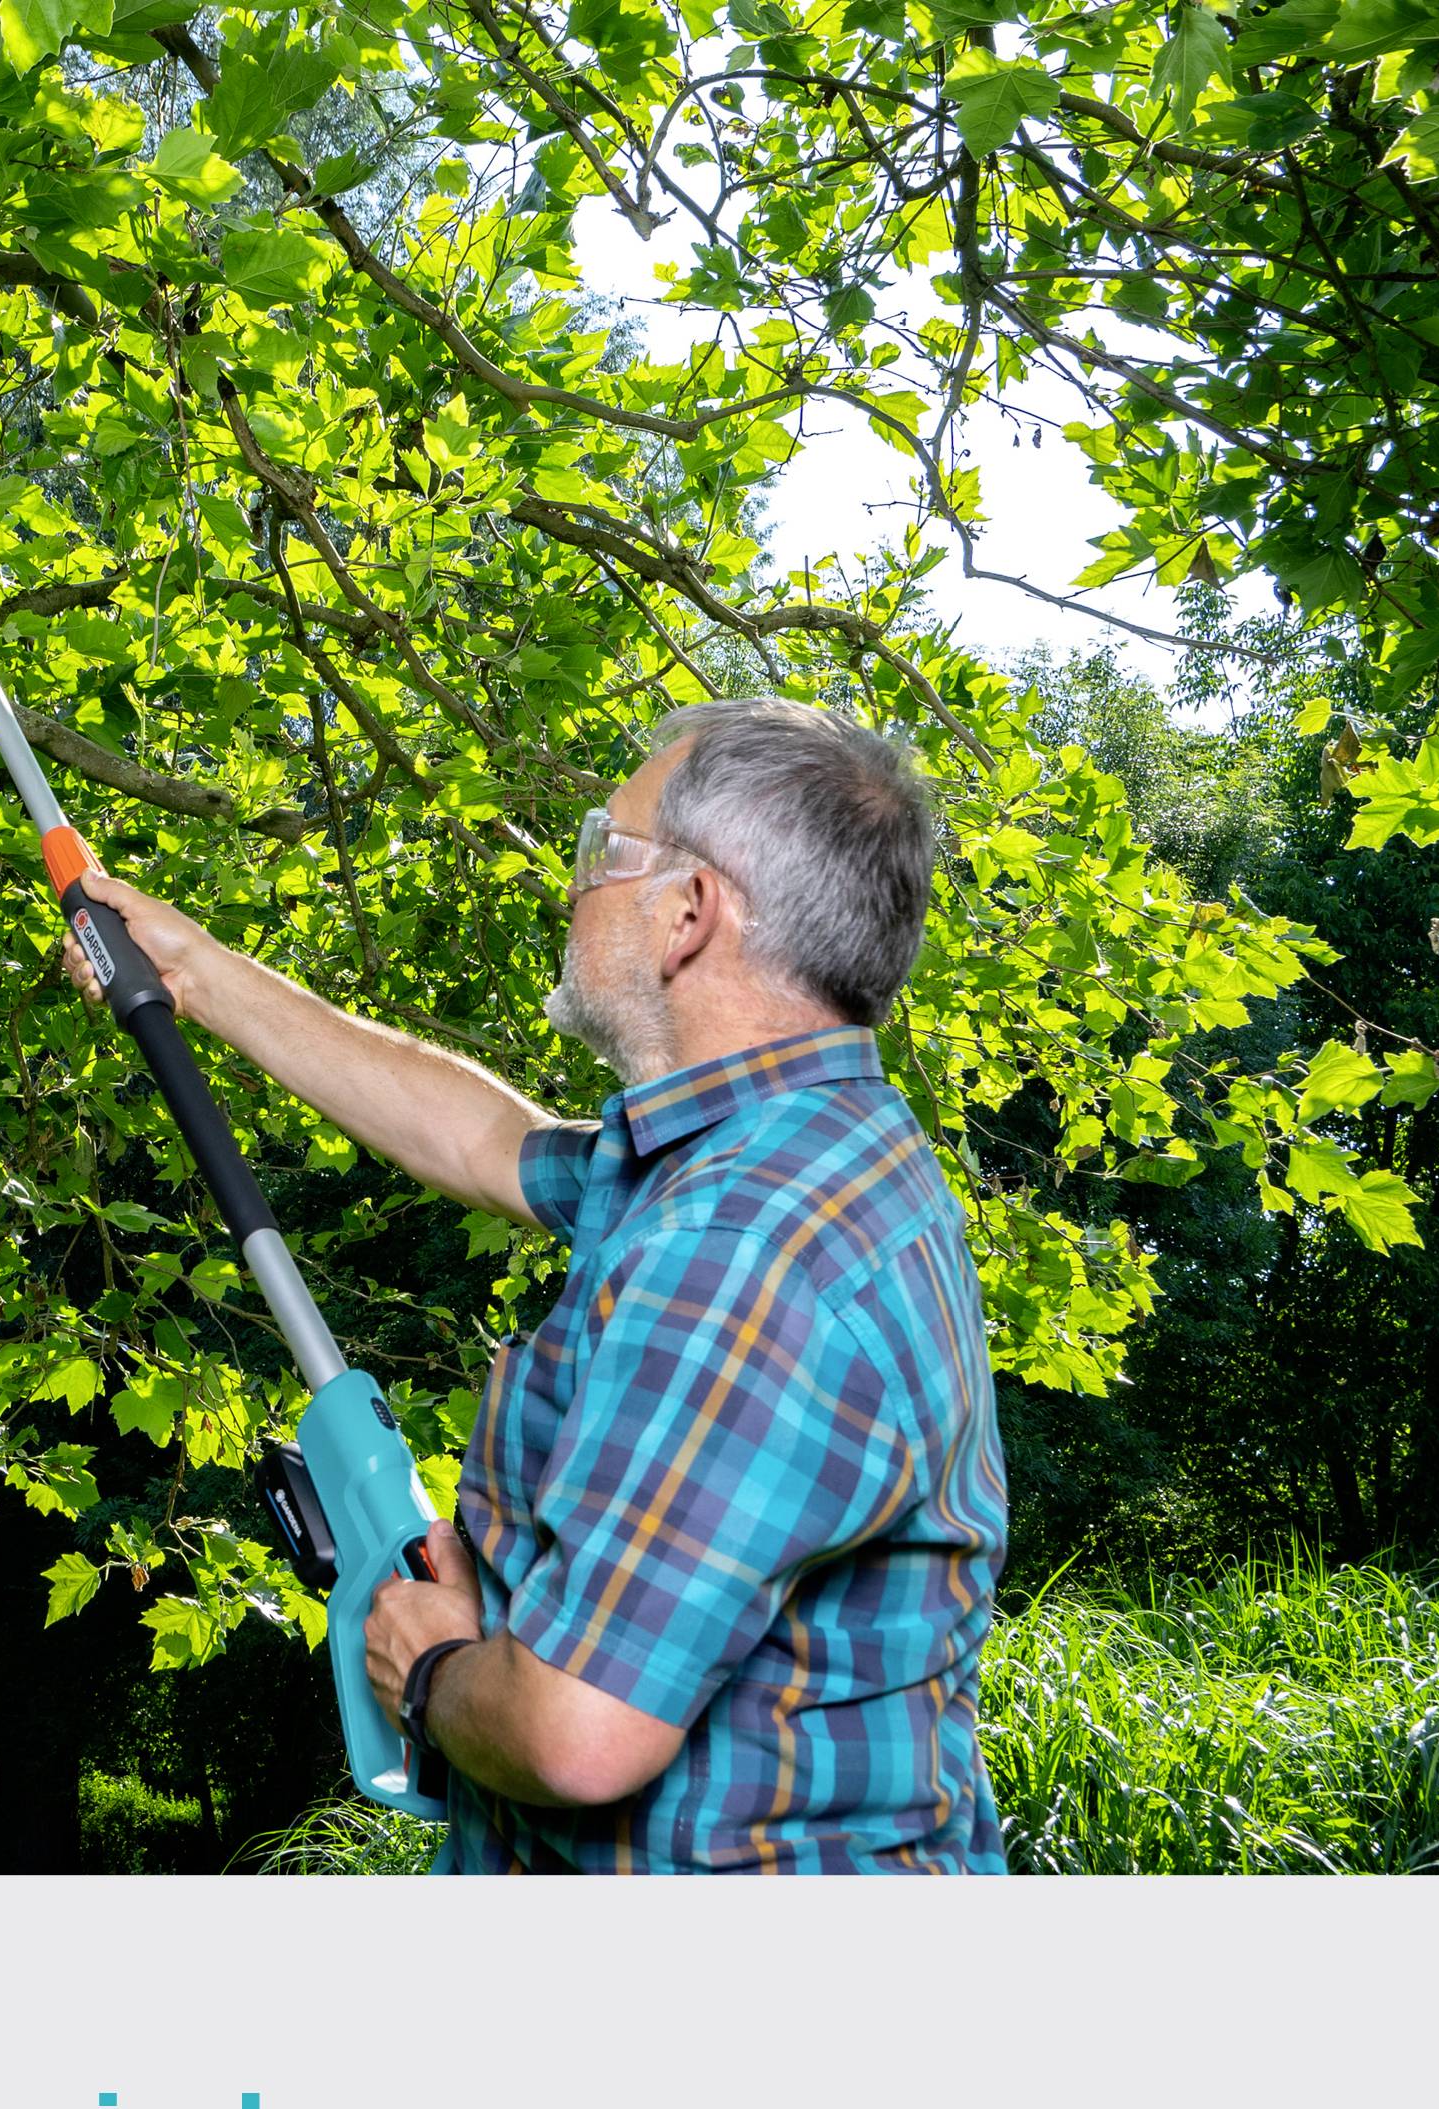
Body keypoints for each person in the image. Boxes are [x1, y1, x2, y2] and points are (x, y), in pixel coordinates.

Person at [61, 697, 1008, 1872]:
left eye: (604, 849)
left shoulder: (737, 1248)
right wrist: (194, 970)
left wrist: (433, 1663)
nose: (573, 885)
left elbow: (576, 1735)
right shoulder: (790, 1146)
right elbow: (480, 1142)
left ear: (687, 912)